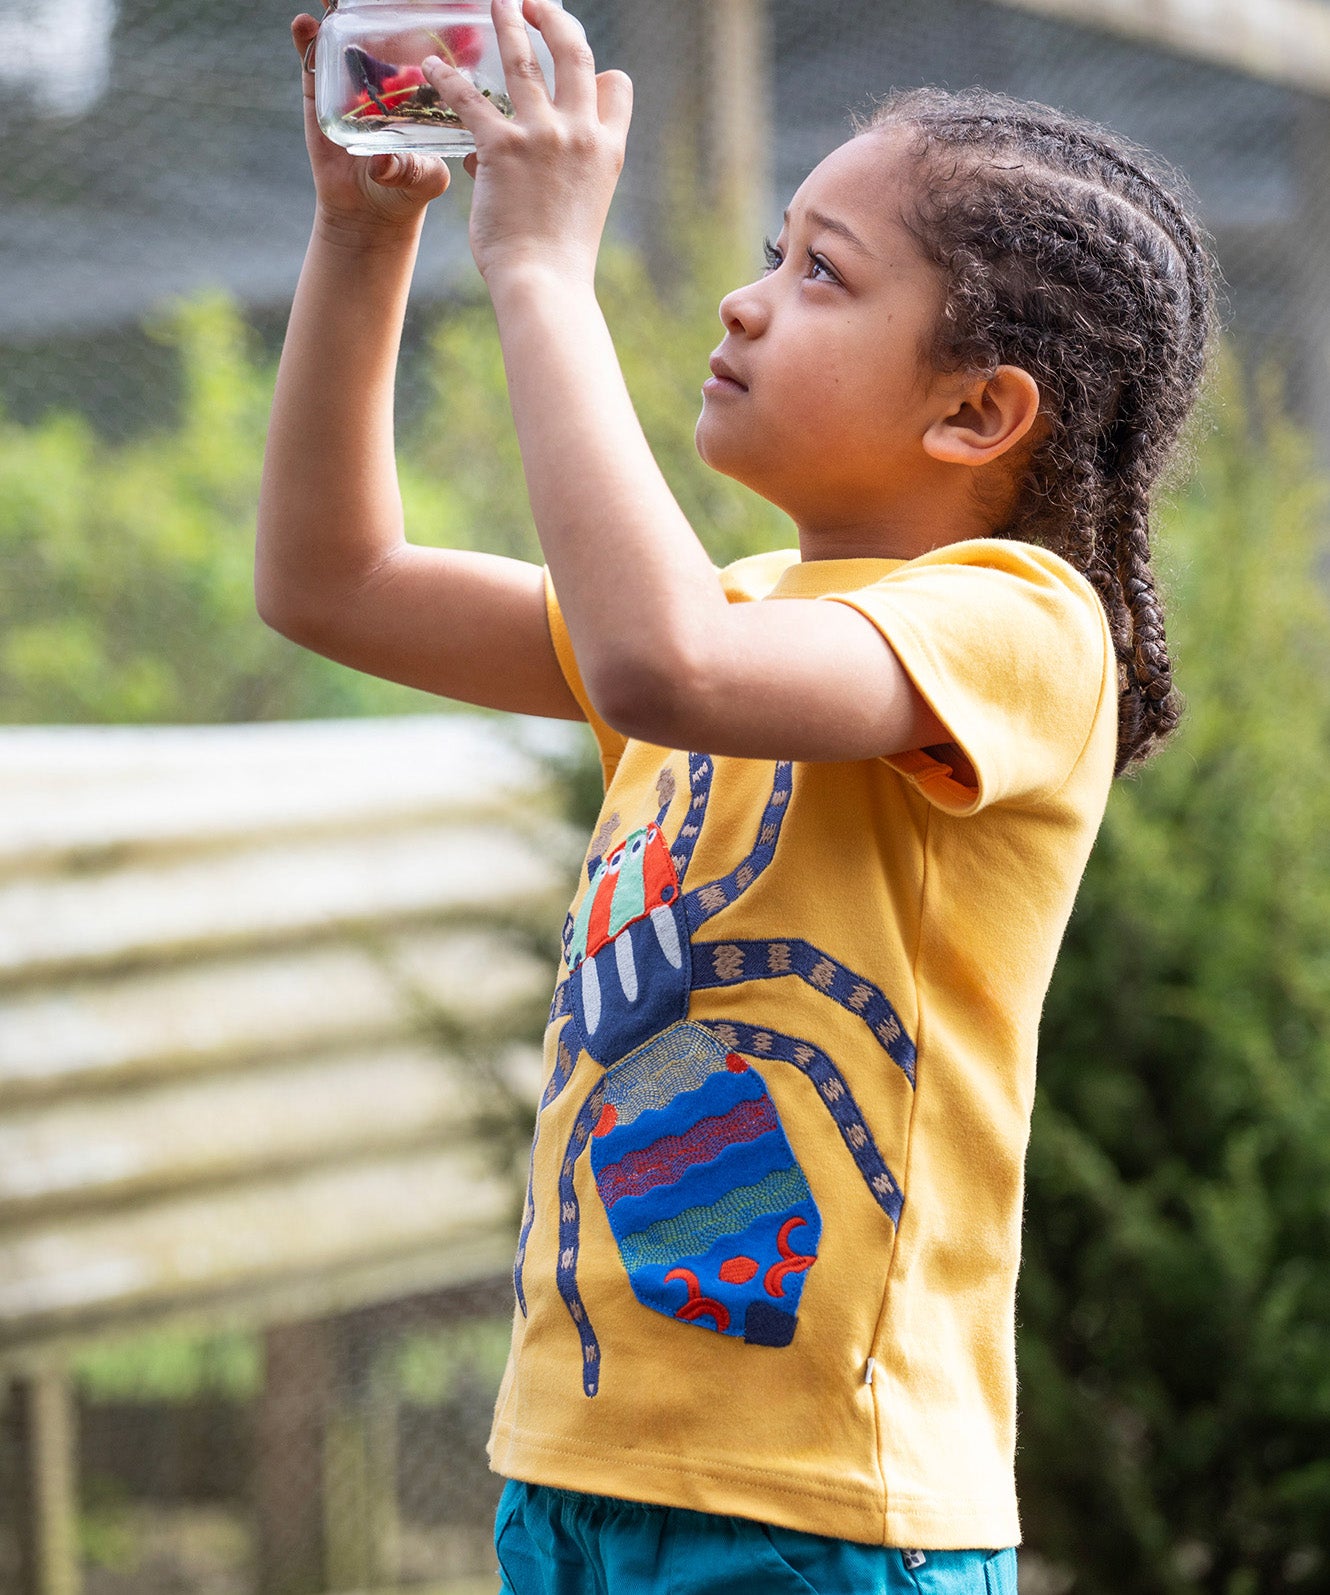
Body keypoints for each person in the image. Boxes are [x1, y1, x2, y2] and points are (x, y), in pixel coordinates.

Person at [257, 2, 1216, 1590]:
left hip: (822, 1514)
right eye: (776, 252)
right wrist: (362, 242)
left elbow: (664, 667)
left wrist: (540, 271)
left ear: (976, 411)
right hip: (577, 1470)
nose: (745, 301)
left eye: (819, 273)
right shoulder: (747, 608)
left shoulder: (1023, 628)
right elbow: (332, 580)